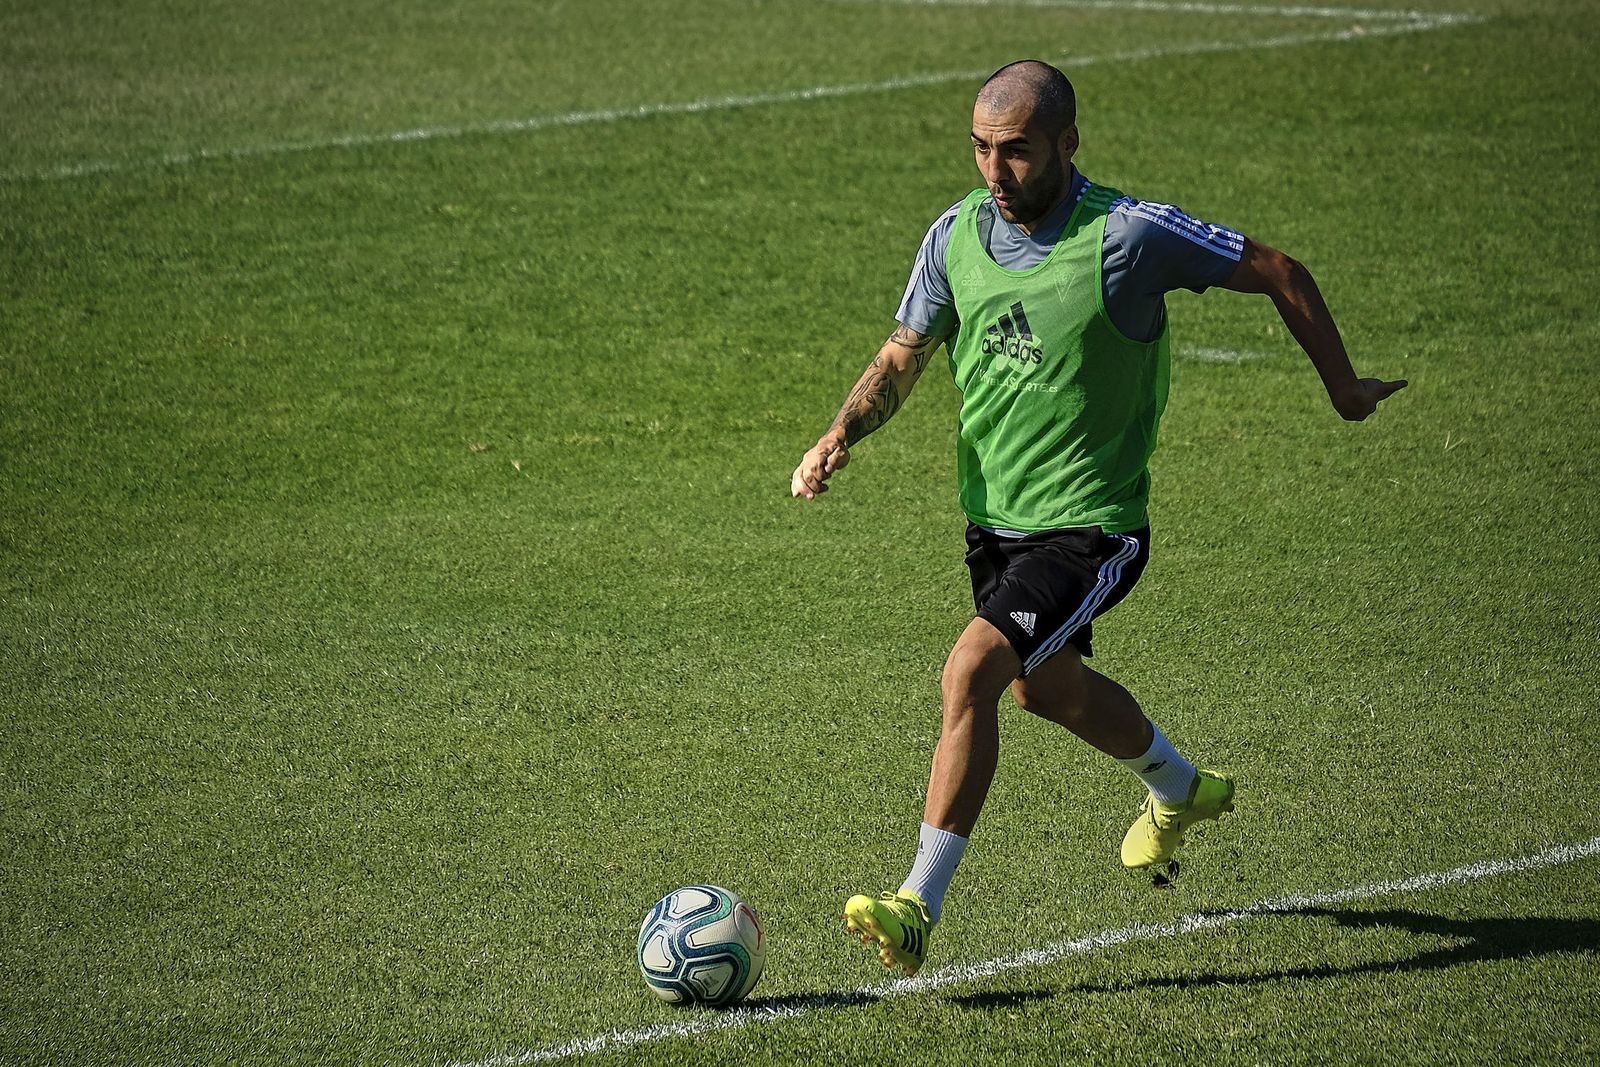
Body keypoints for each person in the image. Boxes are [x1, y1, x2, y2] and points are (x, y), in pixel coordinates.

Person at [789, 59, 1406, 978]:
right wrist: (842, 431)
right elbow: (904, 353)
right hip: (995, 523)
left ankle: (916, 904)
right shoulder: (955, 234)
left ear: (1067, 144)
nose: (995, 171)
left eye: (1016, 151)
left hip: (1092, 526)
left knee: (971, 672)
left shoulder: (1128, 235)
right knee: (1044, 689)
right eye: (981, 148)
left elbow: (1278, 269)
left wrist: (1345, 388)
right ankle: (1181, 788)